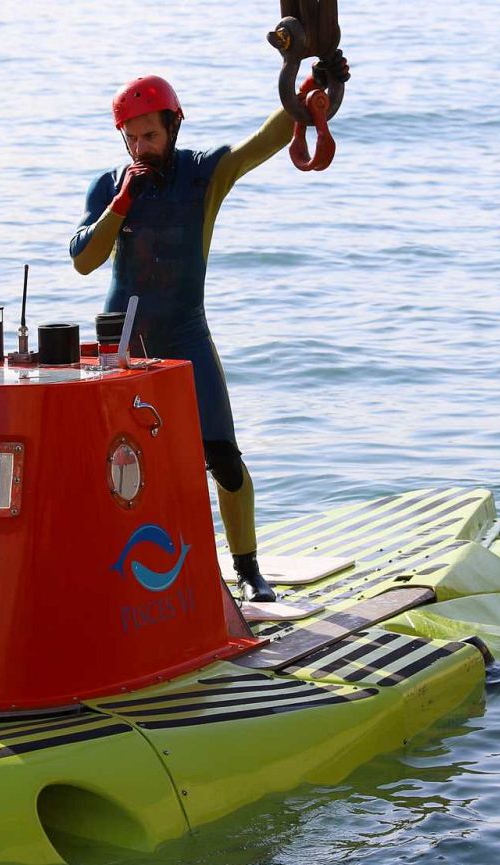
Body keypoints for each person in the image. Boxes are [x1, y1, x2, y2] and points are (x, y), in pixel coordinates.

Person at [68, 71, 341, 604]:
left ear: (173, 126)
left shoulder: (203, 174)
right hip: (123, 344)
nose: (142, 148)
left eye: (151, 135)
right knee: (126, 465)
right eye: (132, 138)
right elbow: (83, 260)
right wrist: (122, 201)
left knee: (224, 460)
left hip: (186, 332)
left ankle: (248, 570)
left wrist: (310, 84)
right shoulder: (108, 185)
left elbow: (262, 142)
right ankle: (131, 572)